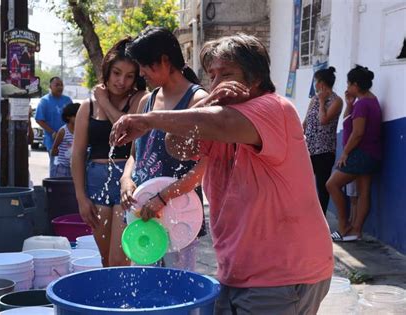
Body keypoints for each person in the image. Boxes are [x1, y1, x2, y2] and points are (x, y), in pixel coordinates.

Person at [110, 33, 333, 314]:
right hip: (237, 271)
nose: (216, 83)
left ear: (254, 78)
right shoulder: (217, 117)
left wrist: (146, 120)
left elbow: (225, 123)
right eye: (212, 76)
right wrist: (208, 101)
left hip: (283, 274)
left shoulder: (273, 108)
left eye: (226, 74)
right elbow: (176, 145)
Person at [120, 27, 208, 271]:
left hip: (179, 215)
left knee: (177, 292)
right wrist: (126, 178)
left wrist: (163, 198)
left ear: (165, 61)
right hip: (142, 213)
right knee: (143, 289)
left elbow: (203, 169)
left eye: (145, 66)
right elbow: (135, 153)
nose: (141, 73)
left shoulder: (198, 101)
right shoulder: (147, 99)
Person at [71, 38, 147, 267]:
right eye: (116, 73)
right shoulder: (88, 106)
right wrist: (80, 197)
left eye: (129, 75)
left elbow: (125, 130)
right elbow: (77, 154)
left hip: (127, 181)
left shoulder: (139, 99)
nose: (121, 81)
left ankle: (124, 301)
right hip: (96, 182)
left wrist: (103, 100)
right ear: (107, 70)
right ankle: (112, 303)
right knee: (105, 260)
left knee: (120, 259)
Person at [327, 65, 382, 242]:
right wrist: (350, 104)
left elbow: (357, 133)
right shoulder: (372, 101)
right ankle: (356, 231)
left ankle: (344, 227)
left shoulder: (362, 105)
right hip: (373, 153)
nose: (348, 88)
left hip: (361, 153)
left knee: (332, 185)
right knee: (364, 191)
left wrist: (345, 154)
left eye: (349, 84)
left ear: (356, 85)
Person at [303, 67, 343, 214]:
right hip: (309, 148)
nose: (315, 85)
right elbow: (306, 121)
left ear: (321, 83)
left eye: (316, 81)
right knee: (303, 182)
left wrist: (321, 102)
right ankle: (306, 214)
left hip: (325, 150)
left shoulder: (336, 101)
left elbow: (324, 120)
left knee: (322, 185)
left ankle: (321, 217)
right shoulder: (313, 99)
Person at [35, 77, 73, 177]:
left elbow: (74, 117)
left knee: (70, 165)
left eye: (61, 85)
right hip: (53, 140)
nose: (60, 87)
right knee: (56, 166)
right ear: (50, 87)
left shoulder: (67, 100)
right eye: (57, 85)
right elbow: (39, 119)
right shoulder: (44, 101)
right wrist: (52, 132)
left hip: (69, 140)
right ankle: (54, 187)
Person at [51, 102, 80, 177]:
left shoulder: (82, 130)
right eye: (76, 116)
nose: (79, 118)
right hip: (63, 167)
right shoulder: (63, 131)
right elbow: (54, 148)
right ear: (68, 117)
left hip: (77, 167)